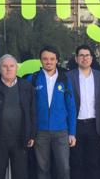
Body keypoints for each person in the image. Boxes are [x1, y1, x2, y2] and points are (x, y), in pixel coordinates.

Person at [28, 45, 77, 179]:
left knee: (63, 168)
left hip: (61, 131)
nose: (48, 62)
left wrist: (72, 132)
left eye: (52, 59)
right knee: (42, 168)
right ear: (40, 60)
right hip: (40, 132)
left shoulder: (65, 79)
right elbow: (27, 108)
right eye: (45, 59)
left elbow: (71, 107)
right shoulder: (33, 79)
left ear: (57, 60)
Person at [0, 54, 36, 179]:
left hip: (20, 139)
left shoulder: (26, 86)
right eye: (5, 66)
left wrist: (32, 134)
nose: (8, 69)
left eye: (12, 66)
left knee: (21, 174)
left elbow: (32, 112)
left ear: (16, 68)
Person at [67, 45, 100, 179]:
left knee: (93, 162)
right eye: (81, 55)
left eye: (87, 55)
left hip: (95, 125)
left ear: (92, 58)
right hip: (76, 125)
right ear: (76, 59)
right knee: (76, 162)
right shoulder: (68, 76)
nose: (84, 58)